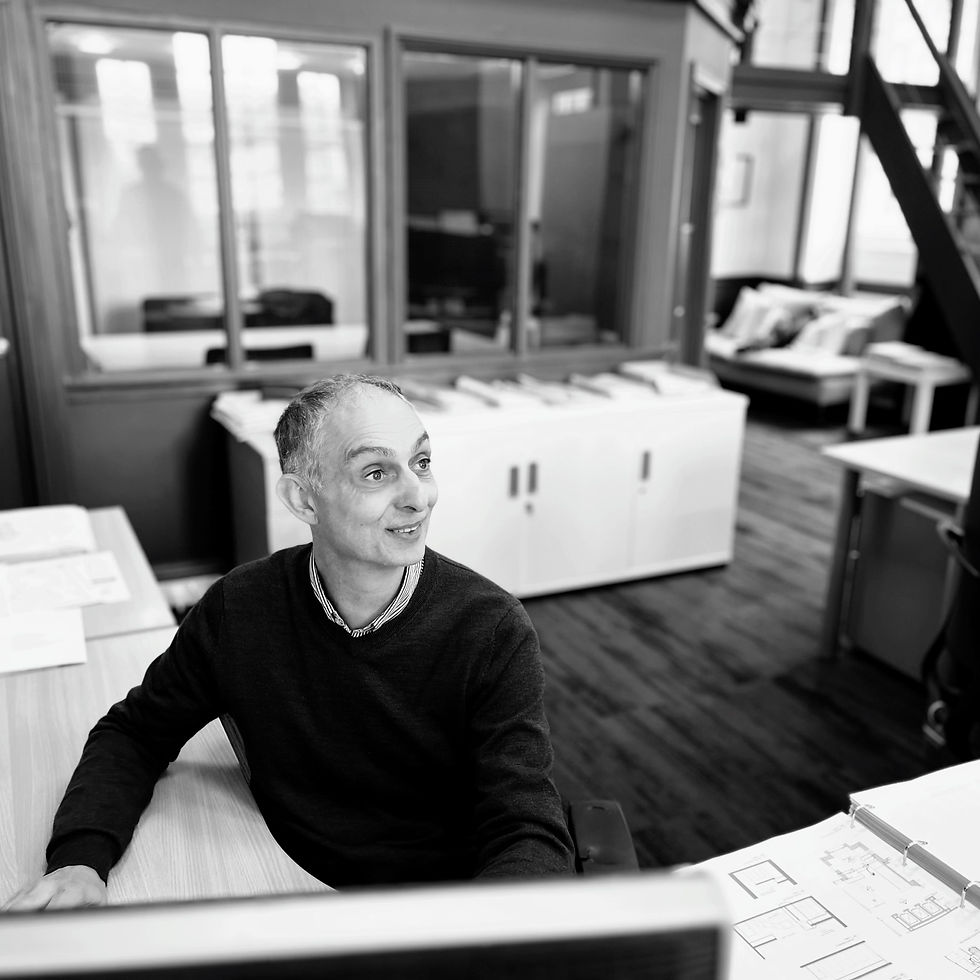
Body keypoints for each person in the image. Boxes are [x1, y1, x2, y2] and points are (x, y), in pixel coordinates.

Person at [4, 374, 573, 910]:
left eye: (420, 463)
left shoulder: (490, 628)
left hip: (437, 905)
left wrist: (487, 940)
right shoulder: (242, 607)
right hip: (282, 884)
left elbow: (527, 829)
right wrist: (79, 860)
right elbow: (135, 732)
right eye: (376, 473)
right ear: (303, 501)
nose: (418, 496)